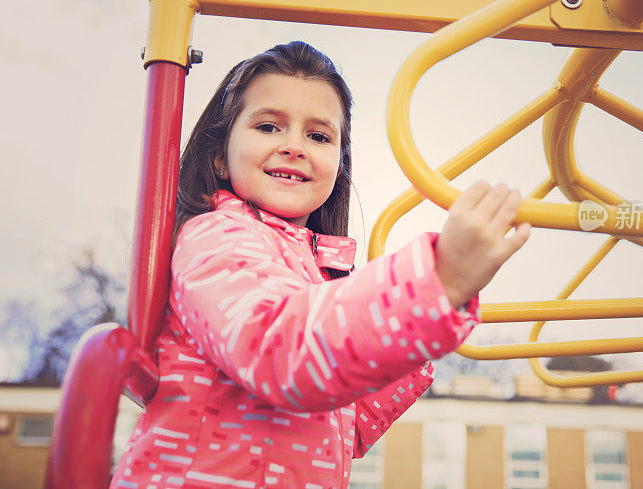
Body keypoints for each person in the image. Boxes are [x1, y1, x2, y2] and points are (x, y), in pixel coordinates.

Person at [111, 41, 530, 488]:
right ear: (219, 155)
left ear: (338, 165)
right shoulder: (217, 237)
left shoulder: (313, 272)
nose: (294, 146)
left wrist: (419, 325)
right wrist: (434, 282)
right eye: (269, 126)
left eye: (318, 136)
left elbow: (343, 425)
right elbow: (279, 352)